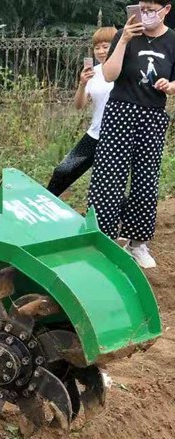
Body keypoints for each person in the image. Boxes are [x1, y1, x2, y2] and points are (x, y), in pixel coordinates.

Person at [88, 1, 175, 269]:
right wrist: (124, 39)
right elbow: (110, 74)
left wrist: (170, 86)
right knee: (108, 177)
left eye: (152, 8)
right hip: (120, 113)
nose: (146, 14)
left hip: (152, 115)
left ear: (166, 10)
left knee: (145, 180)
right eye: (143, 7)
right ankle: (101, 241)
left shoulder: (172, 40)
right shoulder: (124, 35)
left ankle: (138, 244)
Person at [47, 27, 116, 197]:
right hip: (95, 134)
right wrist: (82, 84)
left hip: (117, 137)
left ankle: (125, 218)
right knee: (63, 171)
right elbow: (79, 105)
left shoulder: (126, 70)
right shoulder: (94, 72)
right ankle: (42, 208)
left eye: (105, 46)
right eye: (97, 47)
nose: (100, 51)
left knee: (107, 183)